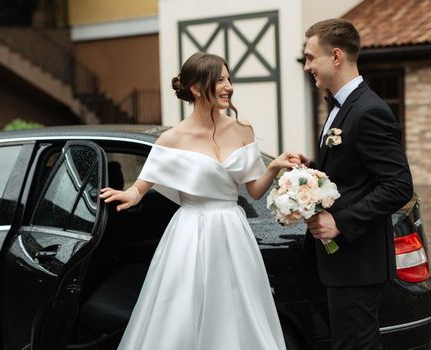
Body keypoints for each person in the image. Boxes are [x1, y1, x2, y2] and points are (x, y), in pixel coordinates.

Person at [99, 52, 299, 350]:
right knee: (182, 311)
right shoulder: (172, 139)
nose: (228, 86)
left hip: (233, 231)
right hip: (190, 233)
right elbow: (140, 188)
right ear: (196, 88)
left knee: (237, 308)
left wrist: (273, 166)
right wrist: (127, 194)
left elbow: (255, 191)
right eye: (220, 79)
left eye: (229, 78)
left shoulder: (242, 129)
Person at [302, 19, 413, 349]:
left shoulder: (369, 111)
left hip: (358, 261)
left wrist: (340, 222)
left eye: (310, 57)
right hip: (341, 264)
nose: (307, 66)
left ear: (335, 56)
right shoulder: (339, 107)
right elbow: (351, 172)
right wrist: (309, 172)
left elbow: (398, 185)